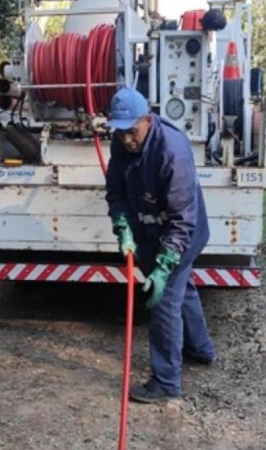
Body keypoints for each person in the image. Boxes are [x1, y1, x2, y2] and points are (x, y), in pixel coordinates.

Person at [104, 87, 216, 404]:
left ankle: (166, 382)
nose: (127, 140)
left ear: (148, 120)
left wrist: (164, 267)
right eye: (120, 132)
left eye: (132, 131)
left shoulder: (172, 152)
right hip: (150, 229)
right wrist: (122, 226)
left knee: (164, 300)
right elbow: (115, 191)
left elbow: (183, 220)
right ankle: (201, 348)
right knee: (184, 290)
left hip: (182, 234)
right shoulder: (121, 142)